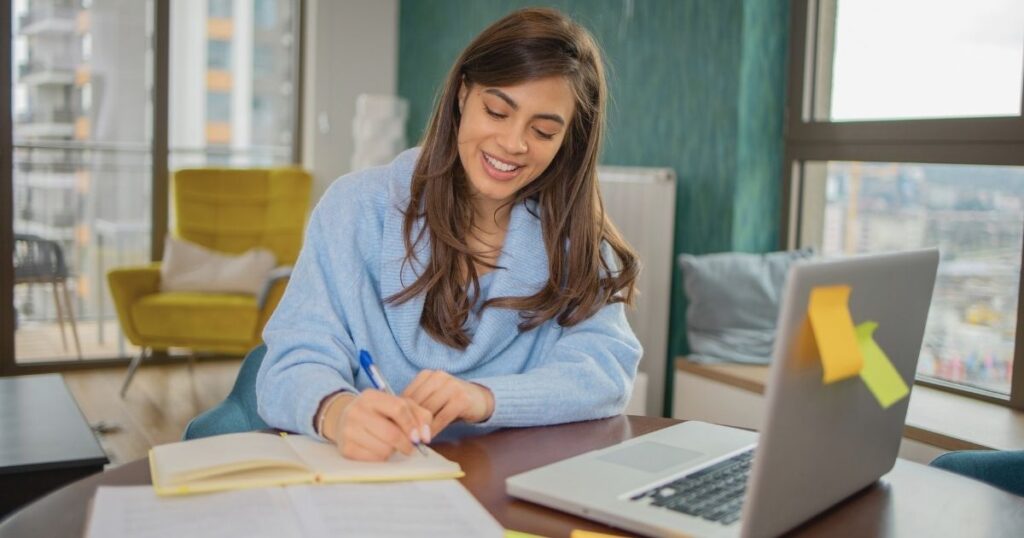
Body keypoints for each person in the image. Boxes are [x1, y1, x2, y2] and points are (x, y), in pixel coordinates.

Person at [255, 7, 642, 462]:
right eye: (497, 111)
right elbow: (290, 362)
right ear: (462, 94)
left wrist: (483, 397)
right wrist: (336, 412)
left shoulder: (577, 244)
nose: (513, 143)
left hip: (504, 485)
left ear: (567, 142)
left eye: (542, 131)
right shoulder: (355, 208)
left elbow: (606, 370)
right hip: (366, 480)